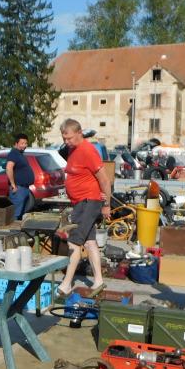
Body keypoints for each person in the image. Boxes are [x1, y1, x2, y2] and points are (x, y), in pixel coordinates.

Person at [56, 119, 111, 297]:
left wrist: (107, 205)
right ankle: (98, 280)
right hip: (80, 202)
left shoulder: (88, 151)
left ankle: (66, 284)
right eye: (64, 138)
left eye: (69, 138)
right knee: (90, 242)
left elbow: (104, 179)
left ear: (80, 133)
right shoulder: (72, 149)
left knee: (74, 243)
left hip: (89, 202)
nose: (66, 142)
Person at [6, 132, 35, 220]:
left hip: (24, 188)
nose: (24, 145)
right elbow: (9, 168)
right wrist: (13, 185)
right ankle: (13, 228)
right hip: (18, 189)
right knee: (15, 214)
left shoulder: (19, 154)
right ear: (16, 143)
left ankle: (18, 228)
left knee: (21, 214)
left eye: (26, 143)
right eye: (22, 143)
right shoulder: (13, 153)